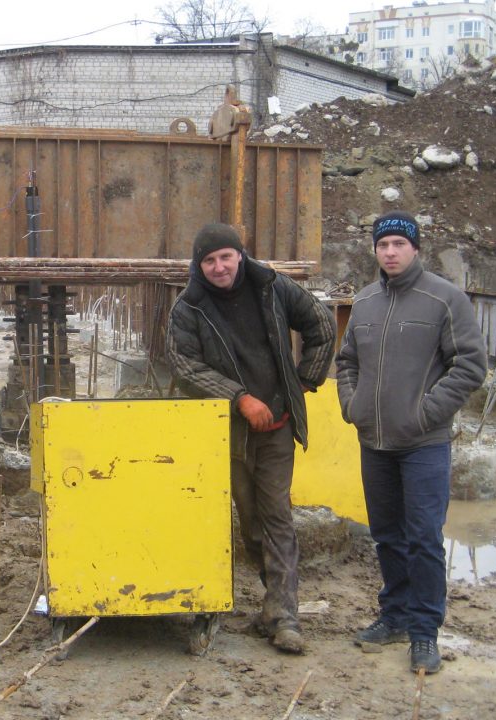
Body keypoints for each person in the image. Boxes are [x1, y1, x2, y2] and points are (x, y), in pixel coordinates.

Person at [167, 222, 336, 655]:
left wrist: (304, 381)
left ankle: (283, 616)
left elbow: (320, 322)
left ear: (240, 255)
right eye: (209, 260)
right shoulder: (190, 307)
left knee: (277, 514)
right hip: (229, 432)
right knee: (251, 523)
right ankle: (270, 602)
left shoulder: (272, 287)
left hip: (277, 427)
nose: (219, 267)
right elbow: (185, 367)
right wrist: (239, 398)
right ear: (198, 265)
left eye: (226, 256)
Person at [337, 210, 486, 674]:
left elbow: (469, 365)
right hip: (374, 443)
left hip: (424, 444)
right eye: (383, 245)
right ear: (375, 250)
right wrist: (353, 406)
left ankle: (424, 632)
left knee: (423, 538)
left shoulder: (445, 299)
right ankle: (395, 615)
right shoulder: (363, 302)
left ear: (415, 248)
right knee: (386, 535)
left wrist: (425, 414)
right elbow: (347, 363)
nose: (390, 252)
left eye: (399, 244)